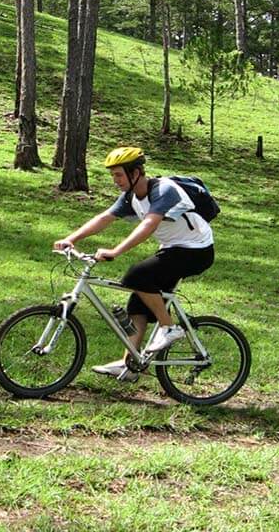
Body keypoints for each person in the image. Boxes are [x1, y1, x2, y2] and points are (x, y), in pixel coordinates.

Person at [53, 146, 214, 381]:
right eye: (113, 176)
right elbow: (104, 218)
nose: (115, 180)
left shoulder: (164, 190)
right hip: (173, 249)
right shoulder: (131, 196)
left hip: (197, 250)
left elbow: (148, 225)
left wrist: (115, 251)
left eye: (118, 175)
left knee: (136, 276)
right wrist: (71, 239)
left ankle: (168, 327)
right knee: (137, 305)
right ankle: (129, 364)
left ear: (136, 172)